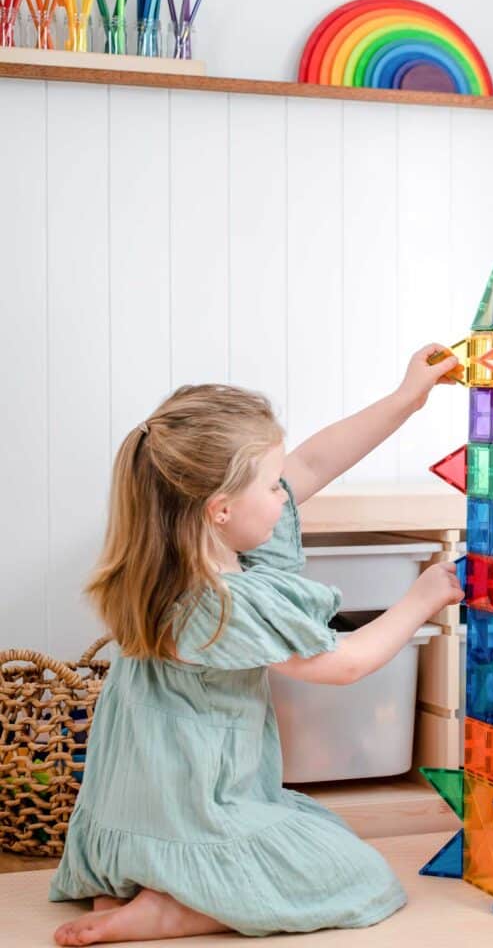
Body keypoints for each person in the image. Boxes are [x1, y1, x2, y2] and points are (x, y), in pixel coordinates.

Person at [50, 345, 463, 945]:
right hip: (195, 806)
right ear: (220, 509)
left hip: (131, 811)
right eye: (273, 485)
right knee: (361, 874)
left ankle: (136, 882)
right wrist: (421, 598)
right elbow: (345, 665)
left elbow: (317, 460)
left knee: (280, 832)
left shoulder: (173, 568)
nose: (285, 494)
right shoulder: (222, 604)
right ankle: (180, 908)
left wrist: (407, 397)